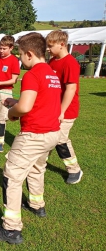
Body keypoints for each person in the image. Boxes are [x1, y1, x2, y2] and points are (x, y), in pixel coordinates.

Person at [0, 32, 62, 244]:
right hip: (52, 134)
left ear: (29, 54)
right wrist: (16, 101)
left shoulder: (31, 75)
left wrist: (12, 112)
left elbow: (26, 107)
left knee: (12, 177)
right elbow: (40, 100)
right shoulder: (51, 73)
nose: (20, 59)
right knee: (38, 169)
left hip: (34, 135)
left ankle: (11, 229)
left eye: (20, 54)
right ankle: (37, 205)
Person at [46, 30, 83, 184]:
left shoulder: (70, 63)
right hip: (52, 109)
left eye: (50, 46)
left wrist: (61, 111)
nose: (48, 49)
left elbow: (71, 89)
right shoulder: (52, 61)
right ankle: (40, 162)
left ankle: (74, 169)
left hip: (66, 111)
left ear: (62, 44)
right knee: (47, 136)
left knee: (60, 140)